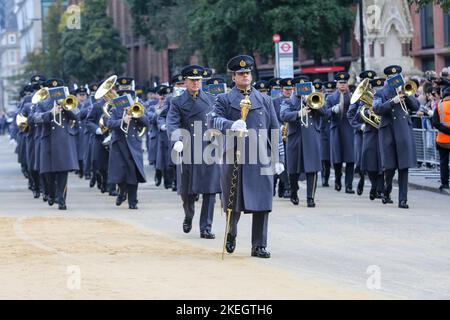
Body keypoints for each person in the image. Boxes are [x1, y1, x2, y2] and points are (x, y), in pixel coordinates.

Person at [209, 55, 284, 258]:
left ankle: (259, 245)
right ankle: (231, 231)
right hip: (235, 156)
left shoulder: (265, 100)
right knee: (233, 202)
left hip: (261, 157)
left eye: (247, 73)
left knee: (262, 203)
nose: (245, 76)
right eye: (241, 73)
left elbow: (274, 130)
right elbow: (212, 120)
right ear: (233, 77)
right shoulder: (224, 99)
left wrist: (279, 159)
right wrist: (230, 124)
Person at [167, 65, 222, 239]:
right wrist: (176, 140)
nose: (196, 83)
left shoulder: (212, 99)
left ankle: (206, 226)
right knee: (188, 191)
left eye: (198, 80)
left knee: (210, 190)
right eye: (192, 80)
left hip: (208, 148)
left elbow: (218, 121)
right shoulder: (177, 101)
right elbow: (172, 122)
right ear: (185, 82)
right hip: (188, 148)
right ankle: (189, 214)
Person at [373, 65, 420, 209]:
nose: (395, 80)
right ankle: (386, 192)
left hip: (403, 131)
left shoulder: (406, 89)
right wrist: (393, 100)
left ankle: (403, 200)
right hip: (388, 132)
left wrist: (407, 95)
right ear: (388, 79)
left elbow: (416, 107)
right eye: (392, 78)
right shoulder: (380, 93)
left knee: (403, 166)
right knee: (390, 167)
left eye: (398, 77)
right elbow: (377, 109)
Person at [34, 78, 79, 210]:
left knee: (62, 172)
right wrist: (49, 114)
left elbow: (77, 115)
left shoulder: (67, 100)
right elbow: (33, 118)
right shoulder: (42, 103)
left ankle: (62, 200)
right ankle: (51, 193)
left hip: (64, 140)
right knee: (48, 173)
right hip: (47, 140)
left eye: (58, 90)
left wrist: (65, 106)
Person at [280, 78, 325, 207]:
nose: (303, 89)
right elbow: (283, 115)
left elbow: (324, 113)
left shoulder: (315, 98)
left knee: (313, 169)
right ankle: (293, 191)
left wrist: (309, 100)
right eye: (300, 87)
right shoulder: (287, 101)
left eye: (305, 86)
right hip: (295, 138)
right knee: (294, 169)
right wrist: (298, 113)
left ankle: (310, 197)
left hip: (311, 137)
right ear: (295, 88)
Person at [106, 77, 148, 209]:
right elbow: (110, 124)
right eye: (123, 93)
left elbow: (147, 123)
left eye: (128, 92)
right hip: (119, 143)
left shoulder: (138, 103)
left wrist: (137, 114)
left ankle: (133, 201)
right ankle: (122, 192)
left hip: (133, 143)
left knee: (133, 173)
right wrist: (122, 121)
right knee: (120, 174)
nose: (126, 95)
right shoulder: (114, 106)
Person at [325, 72, 355, 193]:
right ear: (336, 84)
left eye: (345, 83)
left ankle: (349, 185)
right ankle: (338, 179)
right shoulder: (330, 98)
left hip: (349, 129)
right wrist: (332, 109)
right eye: (340, 83)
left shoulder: (353, 97)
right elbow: (325, 114)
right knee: (337, 158)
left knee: (350, 158)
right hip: (336, 129)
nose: (343, 85)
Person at [431, 86, 450, 191]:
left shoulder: (439, 106)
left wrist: (446, 131)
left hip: (442, 140)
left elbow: (434, 122)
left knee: (443, 162)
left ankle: (445, 183)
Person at [320, 81, 336, 187]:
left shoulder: (337, 99)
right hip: (323, 131)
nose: (329, 93)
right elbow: (323, 114)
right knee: (324, 157)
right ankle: (324, 178)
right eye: (327, 91)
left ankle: (334, 178)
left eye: (331, 91)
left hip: (333, 131)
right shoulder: (321, 101)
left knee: (332, 157)